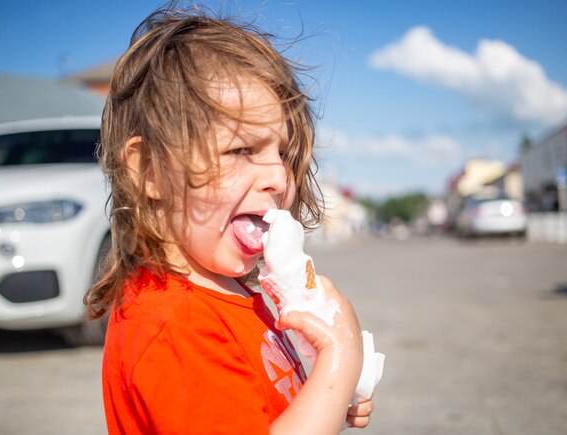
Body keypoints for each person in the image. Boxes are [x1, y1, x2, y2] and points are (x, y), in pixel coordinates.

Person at [86, 3, 373, 434]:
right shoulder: (175, 327)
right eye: (242, 150)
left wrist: (322, 395)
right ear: (149, 169)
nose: (279, 176)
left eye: (284, 154)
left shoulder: (228, 292)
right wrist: (340, 360)